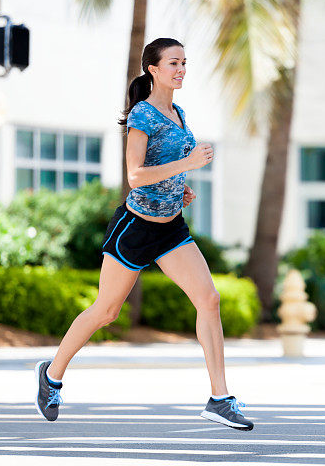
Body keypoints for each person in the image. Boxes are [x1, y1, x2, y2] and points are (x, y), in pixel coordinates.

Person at [34, 37, 253, 431]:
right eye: (173, 62)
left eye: (185, 62)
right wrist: (187, 162)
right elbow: (135, 176)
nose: (181, 69)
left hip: (170, 228)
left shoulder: (179, 112)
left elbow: (163, 167)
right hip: (135, 228)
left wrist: (180, 187)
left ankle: (220, 398)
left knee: (209, 298)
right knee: (107, 311)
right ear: (153, 69)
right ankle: (51, 375)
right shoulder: (143, 115)